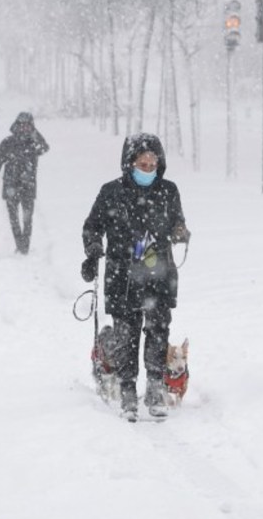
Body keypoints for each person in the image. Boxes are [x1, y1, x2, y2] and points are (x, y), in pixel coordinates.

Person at [81, 133, 190, 420]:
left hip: (159, 275)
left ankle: (154, 389)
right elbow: (93, 226)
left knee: (157, 332)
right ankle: (128, 391)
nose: (147, 167)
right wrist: (93, 252)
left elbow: (178, 220)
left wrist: (180, 231)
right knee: (126, 336)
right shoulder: (111, 193)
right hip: (123, 277)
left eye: (152, 163)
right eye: (141, 163)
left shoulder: (169, 191)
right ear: (129, 163)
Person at [0, 112, 49, 254]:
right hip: (10, 186)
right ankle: (19, 244)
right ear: (16, 126)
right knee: (14, 219)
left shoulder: (34, 144)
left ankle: (25, 247)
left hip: (28, 186)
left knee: (27, 219)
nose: (24, 129)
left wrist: (35, 134)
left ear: (32, 128)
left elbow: (45, 147)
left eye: (28, 127)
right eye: (22, 126)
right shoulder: (8, 143)